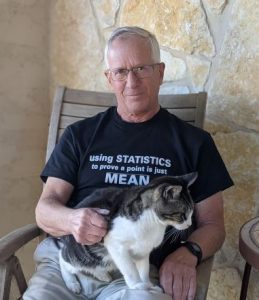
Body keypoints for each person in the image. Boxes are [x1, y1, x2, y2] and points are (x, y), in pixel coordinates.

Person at [23, 26, 233, 300]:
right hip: (68, 264)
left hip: (136, 272)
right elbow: (44, 210)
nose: (131, 82)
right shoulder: (79, 135)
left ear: (160, 72)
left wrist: (189, 252)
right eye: (120, 71)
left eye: (141, 69)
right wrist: (73, 220)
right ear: (109, 78)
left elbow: (213, 225)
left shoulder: (194, 143)